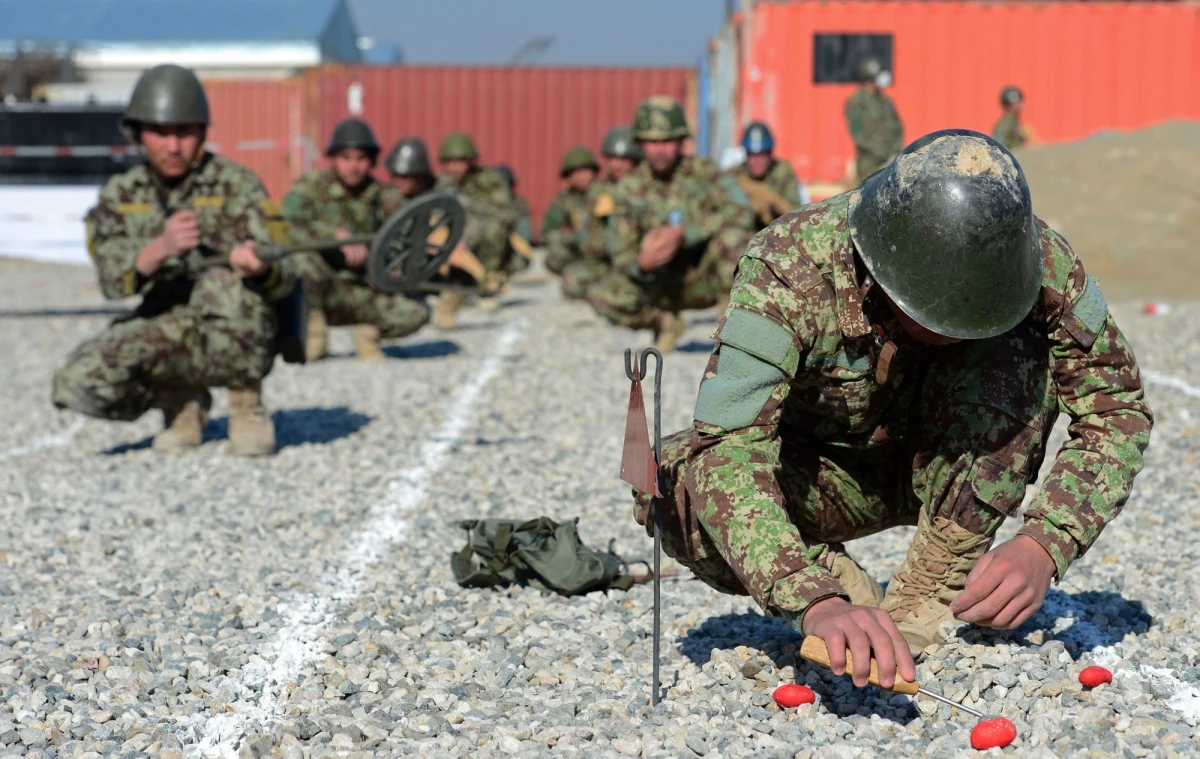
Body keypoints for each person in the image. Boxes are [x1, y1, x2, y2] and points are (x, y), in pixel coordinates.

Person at [632, 130, 1152, 690]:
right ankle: (833, 579)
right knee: (668, 484)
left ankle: (934, 581)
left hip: (953, 467)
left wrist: (1046, 543)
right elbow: (727, 446)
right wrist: (811, 598)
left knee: (1020, 351)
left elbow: (1116, 408)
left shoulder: (1034, 261)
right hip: (822, 476)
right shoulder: (788, 266)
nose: (955, 333)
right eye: (938, 314)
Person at [51, 63, 298, 456]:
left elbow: (288, 271)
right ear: (137, 135)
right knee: (77, 382)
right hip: (168, 323)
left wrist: (262, 267)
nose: (173, 146)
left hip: (235, 321)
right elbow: (112, 283)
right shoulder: (121, 194)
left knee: (223, 286)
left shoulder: (237, 184)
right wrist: (157, 250)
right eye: (160, 133)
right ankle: (181, 403)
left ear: (202, 133)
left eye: (184, 132)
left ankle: (246, 404)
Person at [581, 96, 756, 353]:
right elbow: (620, 254)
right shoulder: (628, 190)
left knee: (736, 239)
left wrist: (687, 234)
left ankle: (733, 333)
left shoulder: (703, 172)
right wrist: (642, 264)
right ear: (640, 144)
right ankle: (666, 324)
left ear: (680, 141)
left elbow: (741, 210)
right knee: (599, 290)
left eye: (667, 141)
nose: (660, 149)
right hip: (659, 285)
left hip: (704, 276)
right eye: (652, 142)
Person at [283, 118, 430, 362]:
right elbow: (286, 226)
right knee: (301, 259)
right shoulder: (310, 187)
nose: (354, 166)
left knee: (418, 312)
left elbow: (408, 235)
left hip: (363, 288)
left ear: (371, 161)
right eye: (346, 158)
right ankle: (312, 334)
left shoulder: (384, 195)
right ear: (333, 159)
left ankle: (368, 335)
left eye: (361, 159)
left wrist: (393, 262)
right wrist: (333, 237)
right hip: (321, 288)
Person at [433, 131, 518, 327]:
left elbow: (504, 215)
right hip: (454, 242)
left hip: (483, 239)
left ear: (470, 161)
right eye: (450, 162)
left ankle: (487, 286)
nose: (455, 168)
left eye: (460, 162)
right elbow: (436, 214)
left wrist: (470, 230)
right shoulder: (442, 183)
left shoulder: (489, 180)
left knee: (494, 230)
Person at [728, 121, 811, 230]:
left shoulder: (782, 172)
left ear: (770, 153)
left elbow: (795, 212)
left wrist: (772, 206)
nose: (757, 161)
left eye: (762, 154)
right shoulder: (735, 176)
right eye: (752, 155)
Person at [542, 145, 600, 276]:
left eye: (585, 170)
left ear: (594, 172)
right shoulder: (563, 199)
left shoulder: (605, 193)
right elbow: (548, 231)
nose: (582, 176)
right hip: (579, 251)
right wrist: (573, 238)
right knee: (554, 255)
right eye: (576, 172)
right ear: (568, 176)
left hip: (606, 248)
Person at [844, 57, 904, 184]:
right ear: (869, 77)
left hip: (892, 160)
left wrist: (894, 153)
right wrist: (881, 154)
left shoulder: (886, 101)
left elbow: (897, 127)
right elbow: (858, 133)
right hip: (869, 164)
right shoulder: (856, 103)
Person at [993, 86, 1033, 152]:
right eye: (1018, 103)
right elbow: (997, 146)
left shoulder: (1013, 121)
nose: (1021, 105)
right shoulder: (1005, 123)